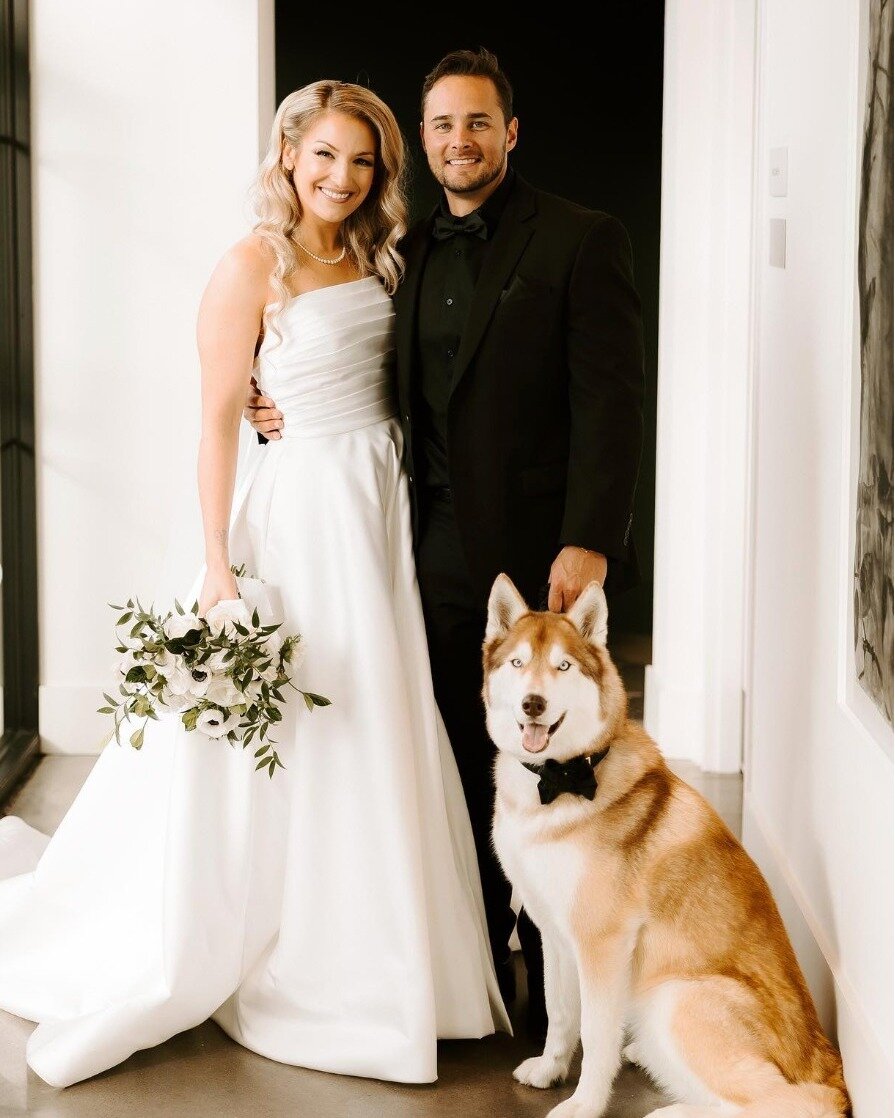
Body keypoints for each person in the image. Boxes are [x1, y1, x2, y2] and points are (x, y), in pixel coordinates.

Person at [0, 79, 509, 1090]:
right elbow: (218, 420)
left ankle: (399, 941)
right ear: (288, 156)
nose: (341, 175)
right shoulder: (251, 266)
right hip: (302, 510)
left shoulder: (378, 256)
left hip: (377, 500)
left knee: (378, 716)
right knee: (307, 724)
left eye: (362, 160)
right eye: (324, 154)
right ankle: (301, 946)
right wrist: (217, 562)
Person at [247, 49, 646, 1040]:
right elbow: (349, 361)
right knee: (451, 760)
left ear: (509, 133)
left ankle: (566, 988)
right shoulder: (402, 248)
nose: (456, 142)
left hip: (539, 558)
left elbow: (612, 401)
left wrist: (588, 539)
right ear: (420, 144)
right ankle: (474, 955)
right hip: (410, 546)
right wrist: (270, 401)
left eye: (476, 123)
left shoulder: (580, 238)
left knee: (557, 757)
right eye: (438, 127)